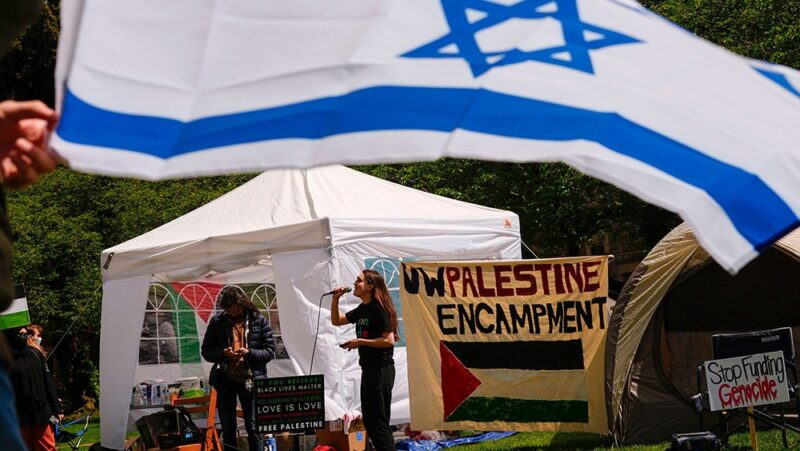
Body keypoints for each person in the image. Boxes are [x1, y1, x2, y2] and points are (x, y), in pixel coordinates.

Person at [331, 270, 399, 451]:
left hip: (381, 370)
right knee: (369, 419)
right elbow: (337, 321)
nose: (354, 283)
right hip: (369, 370)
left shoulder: (378, 308)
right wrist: (335, 299)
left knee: (378, 420)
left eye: (359, 281)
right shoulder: (364, 308)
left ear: (370, 286)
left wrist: (360, 341)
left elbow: (389, 340)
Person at [202, 287, 275, 451]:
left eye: (237, 311)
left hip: (251, 378)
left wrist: (250, 353)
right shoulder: (217, 322)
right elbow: (206, 351)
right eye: (230, 311)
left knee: (253, 428)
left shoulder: (258, 320)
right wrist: (223, 353)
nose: (234, 314)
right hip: (225, 378)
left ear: (244, 305)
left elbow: (270, 351)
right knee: (228, 429)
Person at [6, 326, 62, 451]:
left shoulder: (35, 353)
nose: (23, 335)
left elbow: (47, 381)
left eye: (25, 332)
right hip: (19, 415)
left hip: (42, 412)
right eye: (19, 333)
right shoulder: (6, 359)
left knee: (46, 447)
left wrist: (56, 407)